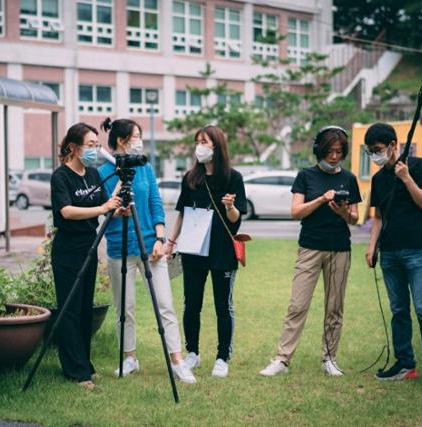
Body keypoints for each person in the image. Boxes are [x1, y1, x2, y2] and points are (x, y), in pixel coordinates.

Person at [98, 118, 196, 384]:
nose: (140, 140)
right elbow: (105, 207)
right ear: (121, 140)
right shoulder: (103, 171)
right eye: (136, 135)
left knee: (165, 304)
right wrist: (116, 207)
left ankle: (177, 360)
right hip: (119, 247)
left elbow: (155, 203)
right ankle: (129, 357)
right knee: (124, 307)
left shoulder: (145, 167)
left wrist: (160, 238)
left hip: (150, 245)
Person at [259, 126, 361, 377]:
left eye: (339, 152)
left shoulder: (349, 178)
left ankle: (330, 358)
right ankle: (282, 360)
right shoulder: (306, 176)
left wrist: (342, 212)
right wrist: (321, 200)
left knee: (334, 307)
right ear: (319, 151)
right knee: (298, 305)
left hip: (340, 248)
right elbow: (296, 212)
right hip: (310, 248)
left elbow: (356, 218)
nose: (334, 156)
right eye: (329, 151)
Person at [364, 122, 422, 388]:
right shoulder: (377, 179)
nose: (375, 155)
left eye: (377, 150)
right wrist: (371, 246)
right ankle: (405, 363)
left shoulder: (418, 167)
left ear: (393, 145)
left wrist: (406, 177)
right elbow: (378, 218)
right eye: (370, 152)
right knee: (399, 309)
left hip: (418, 250)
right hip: (390, 252)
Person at [166, 125, 247, 378]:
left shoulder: (233, 178)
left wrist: (230, 206)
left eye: (205, 141)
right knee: (192, 304)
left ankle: (223, 357)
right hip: (192, 250)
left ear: (217, 146)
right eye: (197, 141)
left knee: (223, 306)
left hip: (222, 251)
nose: (199, 146)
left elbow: (235, 220)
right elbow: (182, 213)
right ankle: (193, 353)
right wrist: (171, 241)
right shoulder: (190, 178)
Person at [50, 122, 122, 390]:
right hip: (67, 249)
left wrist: (116, 206)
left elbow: (105, 207)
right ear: (73, 147)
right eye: (90, 145)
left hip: (89, 247)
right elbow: (67, 211)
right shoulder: (61, 177)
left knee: (83, 309)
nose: (95, 150)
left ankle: (84, 363)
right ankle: (75, 370)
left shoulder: (92, 174)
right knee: (68, 308)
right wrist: (102, 206)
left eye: (96, 145)